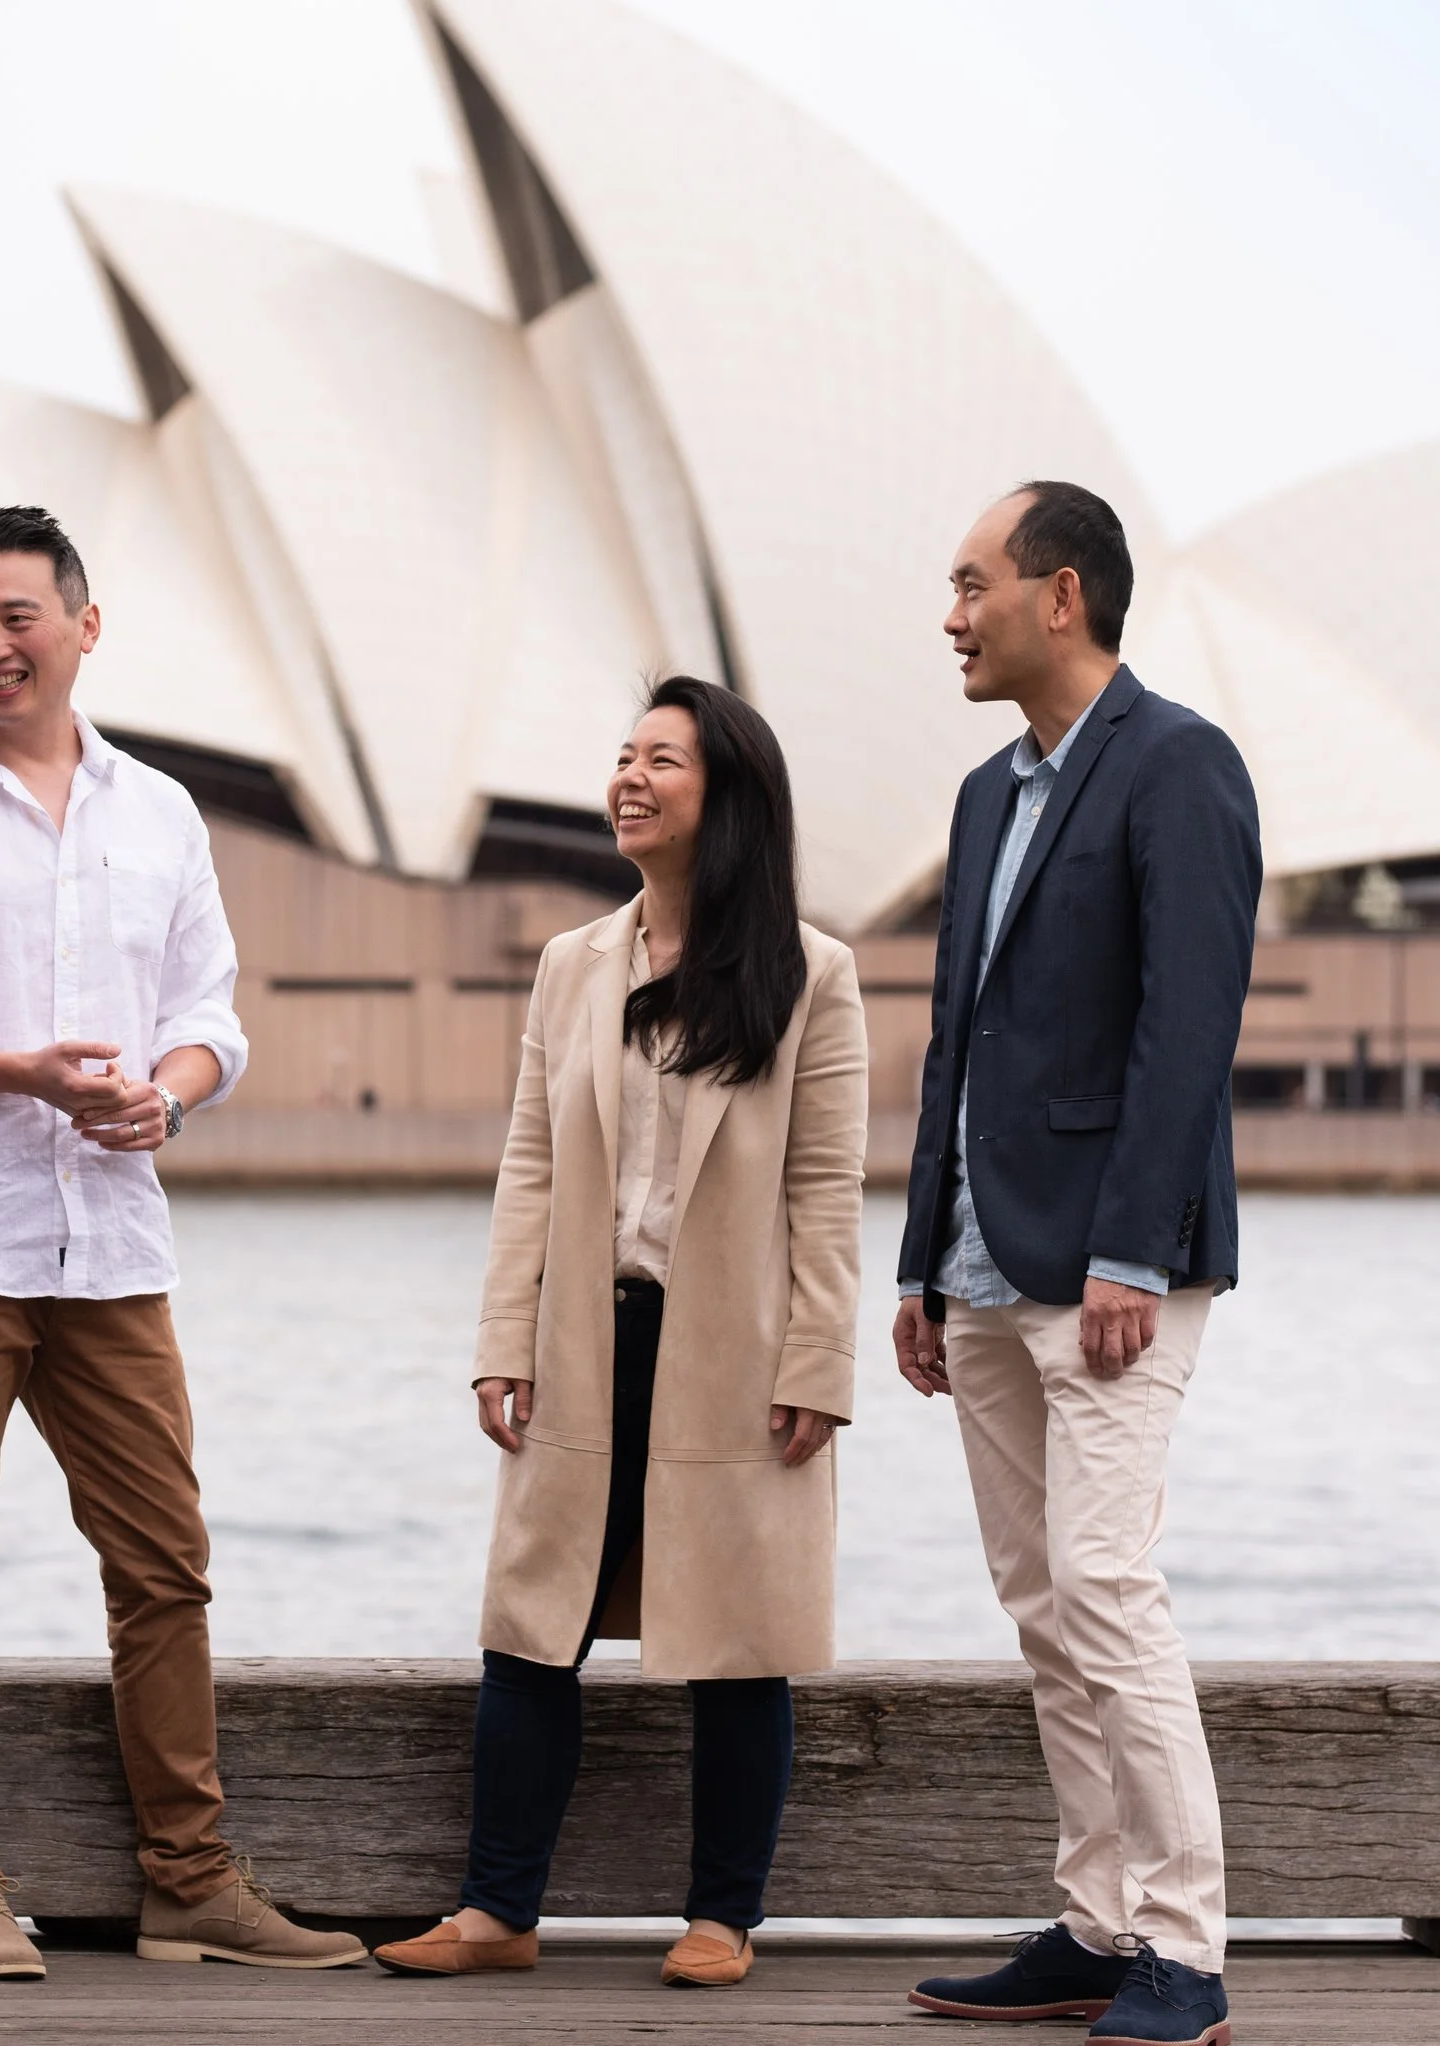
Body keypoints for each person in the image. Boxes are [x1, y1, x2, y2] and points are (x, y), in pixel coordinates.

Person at [0, 504, 364, 1981]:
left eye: (17, 619)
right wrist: (26, 1074)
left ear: (84, 624)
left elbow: (209, 1017)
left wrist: (161, 1100)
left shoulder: (160, 812)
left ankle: (189, 1880)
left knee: (166, 1562)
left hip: (111, 1242)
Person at [374, 677, 868, 1991]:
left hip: (736, 1349)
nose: (630, 777)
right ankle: (497, 1909)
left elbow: (826, 1187)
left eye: (665, 759)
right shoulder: (572, 964)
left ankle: (723, 1915)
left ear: (729, 796)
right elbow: (528, 1164)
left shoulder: (812, 973)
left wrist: (820, 1360)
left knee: (738, 1634)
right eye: (625, 755)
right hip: (587, 1336)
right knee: (531, 1621)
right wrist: (503, 1337)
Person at [893, 483, 1258, 2046]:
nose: (952, 614)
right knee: (1043, 1603)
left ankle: (1185, 1948)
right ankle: (1097, 1921)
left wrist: (1127, 1247)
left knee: (1109, 1587)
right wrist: (918, 1258)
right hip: (983, 1269)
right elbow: (953, 1040)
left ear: (1061, 595)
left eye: (972, 583)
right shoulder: (985, 795)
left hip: (1114, 1268)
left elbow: (1191, 1027)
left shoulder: (1179, 764)